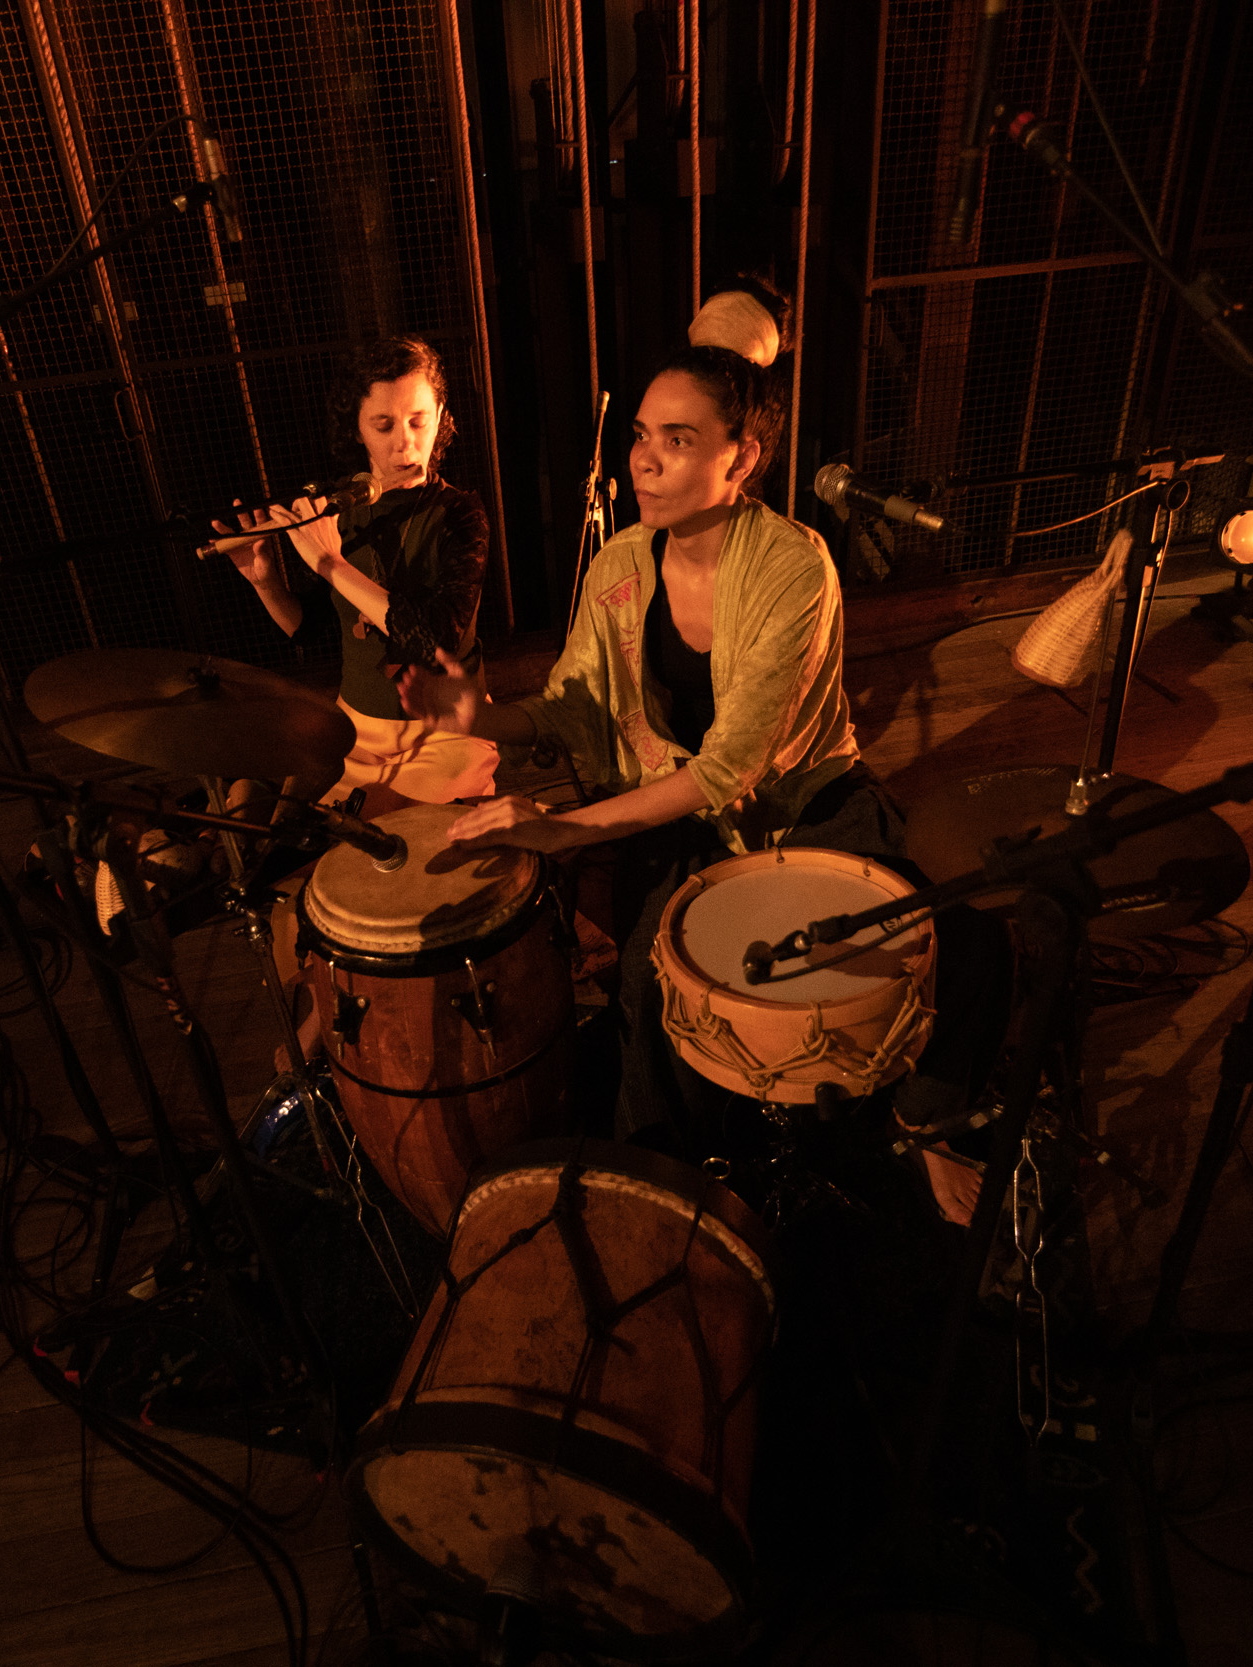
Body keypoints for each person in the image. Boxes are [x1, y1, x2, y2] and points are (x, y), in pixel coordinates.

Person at [397, 344, 1008, 1150]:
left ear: (741, 458)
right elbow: (572, 707)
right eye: (641, 435)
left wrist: (561, 829)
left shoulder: (793, 567)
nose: (644, 460)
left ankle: (923, 1129)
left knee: (956, 947)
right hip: (676, 819)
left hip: (805, 802)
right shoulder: (619, 564)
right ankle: (673, 1175)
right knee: (654, 987)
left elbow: (731, 767)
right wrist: (483, 717)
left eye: (677, 440)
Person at [216, 336, 497, 813]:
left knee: (402, 830)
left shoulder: (461, 513)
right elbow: (309, 627)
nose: (405, 442)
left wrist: (332, 563)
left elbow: (435, 639)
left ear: (440, 415)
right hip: (357, 731)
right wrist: (265, 583)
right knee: (275, 817)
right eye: (383, 425)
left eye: (418, 421)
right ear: (358, 430)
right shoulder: (339, 508)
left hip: (447, 731)